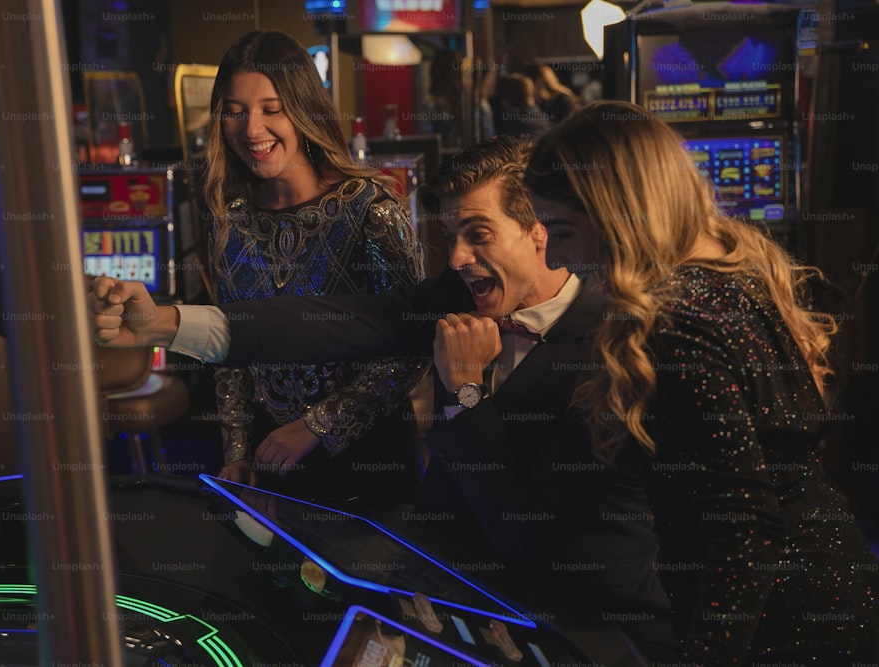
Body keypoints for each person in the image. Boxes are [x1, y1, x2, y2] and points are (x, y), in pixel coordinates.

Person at [94, 136, 681, 662]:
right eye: (451, 236)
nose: (456, 258)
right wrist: (166, 324)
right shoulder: (458, 295)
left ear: (540, 230)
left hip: (585, 628)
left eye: (478, 234)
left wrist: (467, 392)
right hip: (464, 593)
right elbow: (328, 322)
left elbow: (524, 533)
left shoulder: (611, 344)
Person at [524, 100, 879, 664]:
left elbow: (743, 526)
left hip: (785, 622)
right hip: (829, 579)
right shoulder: (735, 267)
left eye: (564, 231)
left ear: (619, 213)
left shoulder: (678, 319)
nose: (561, 257)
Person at [198, 30, 428, 505]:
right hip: (271, 457)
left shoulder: (370, 208)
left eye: (271, 108)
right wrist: (237, 450)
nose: (252, 129)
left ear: (303, 109)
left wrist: (316, 427)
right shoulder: (228, 221)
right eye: (236, 111)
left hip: (368, 460)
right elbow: (231, 349)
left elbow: (413, 341)